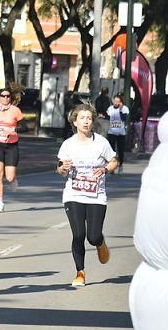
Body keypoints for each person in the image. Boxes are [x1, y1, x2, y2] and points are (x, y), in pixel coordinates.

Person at [55, 103, 118, 287]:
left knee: (93, 235)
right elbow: (60, 169)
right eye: (82, 118)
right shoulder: (68, 144)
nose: (86, 121)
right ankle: (80, 272)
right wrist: (62, 168)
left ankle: (100, 243)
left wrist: (105, 169)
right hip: (73, 194)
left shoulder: (101, 142)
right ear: (74, 121)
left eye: (89, 118)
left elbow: (114, 162)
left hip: (96, 195)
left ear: (92, 122)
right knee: (78, 234)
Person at [0, 87, 24, 213]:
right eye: (3, 96)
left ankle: (13, 179)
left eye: (8, 96)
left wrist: (13, 131)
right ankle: (0, 202)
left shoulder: (15, 111)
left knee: (9, 177)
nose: (5, 98)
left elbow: (24, 126)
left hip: (12, 145)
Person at [106, 94, 130, 174]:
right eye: (115, 101)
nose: (116, 103)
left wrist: (120, 110)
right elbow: (108, 118)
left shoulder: (124, 109)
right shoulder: (110, 109)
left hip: (120, 133)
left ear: (121, 102)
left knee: (120, 150)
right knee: (112, 150)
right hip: (111, 132)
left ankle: (121, 165)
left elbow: (123, 119)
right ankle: (112, 167)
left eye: (118, 101)